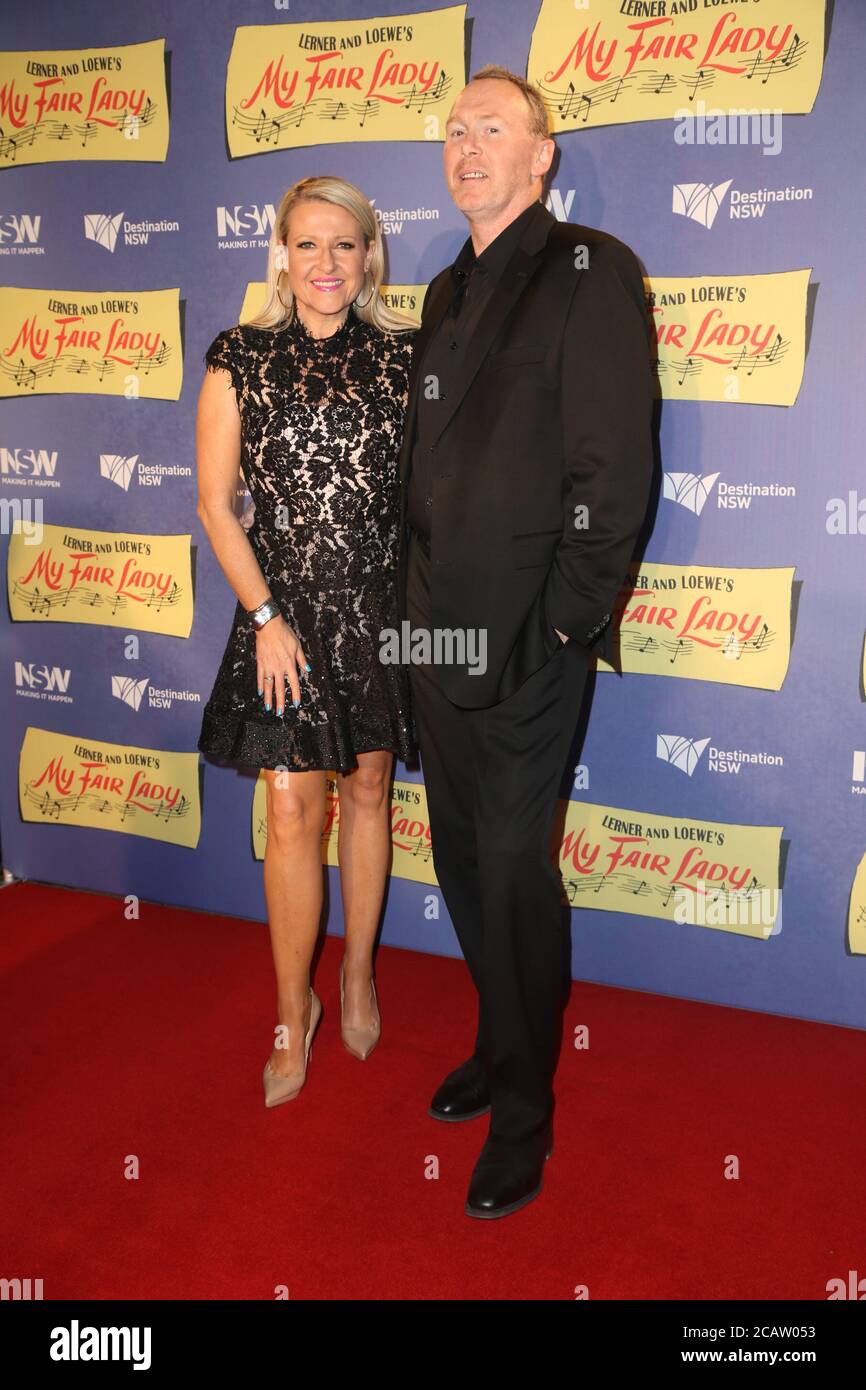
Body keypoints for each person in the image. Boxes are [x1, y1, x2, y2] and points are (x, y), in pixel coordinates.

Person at [399, 67, 655, 1217]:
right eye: (452, 131)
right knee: (457, 859)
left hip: (531, 639)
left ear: (540, 154)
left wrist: (564, 617)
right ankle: (502, 1045)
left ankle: (525, 1113)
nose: (466, 148)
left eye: (490, 129)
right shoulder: (443, 290)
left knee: (512, 870)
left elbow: (615, 467)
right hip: (438, 633)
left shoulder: (591, 270)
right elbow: (424, 484)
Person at [196, 176, 417, 1109]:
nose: (326, 263)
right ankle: (295, 1012)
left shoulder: (407, 358)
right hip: (279, 619)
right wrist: (263, 619)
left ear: (369, 256)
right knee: (290, 811)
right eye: (307, 244)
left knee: (368, 788)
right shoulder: (239, 354)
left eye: (345, 245)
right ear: (281, 256)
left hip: (375, 612)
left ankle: (357, 974)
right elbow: (216, 504)